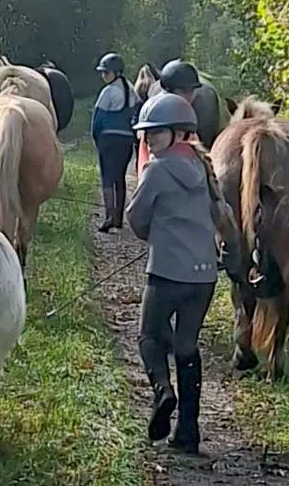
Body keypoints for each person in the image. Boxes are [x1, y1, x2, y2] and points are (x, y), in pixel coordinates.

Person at [127, 92, 220, 455]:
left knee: (149, 336)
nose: (149, 140)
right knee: (187, 345)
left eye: (156, 133)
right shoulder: (205, 168)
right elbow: (220, 215)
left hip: (166, 272)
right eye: (147, 134)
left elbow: (136, 218)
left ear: (179, 132)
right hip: (204, 277)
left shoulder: (157, 170)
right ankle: (189, 430)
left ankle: (164, 392)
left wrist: (156, 235)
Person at [91, 52, 139, 232]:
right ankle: (118, 218)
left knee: (107, 178)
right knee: (120, 178)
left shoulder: (108, 92)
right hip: (125, 140)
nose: (103, 76)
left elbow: (98, 120)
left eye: (106, 72)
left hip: (108, 139)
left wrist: (96, 137)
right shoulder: (131, 89)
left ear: (116, 73)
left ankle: (109, 216)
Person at [136, 59, 202, 176]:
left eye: (192, 91)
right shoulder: (154, 119)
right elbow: (145, 162)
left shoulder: (186, 117)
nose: (190, 96)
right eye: (184, 91)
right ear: (169, 90)